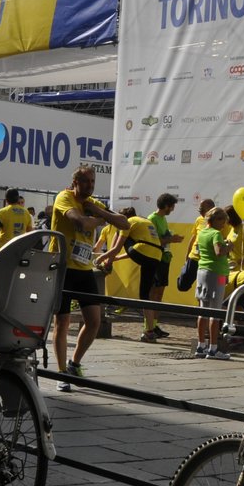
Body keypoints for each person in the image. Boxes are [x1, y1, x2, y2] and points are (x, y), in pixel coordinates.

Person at [50, 164, 129, 391]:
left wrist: (101, 212)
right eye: (85, 181)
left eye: (93, 182)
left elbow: (124, 223)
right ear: (75, 182)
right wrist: (98, 219)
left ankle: (74, 363)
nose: (90, 186)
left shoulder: (94, 205)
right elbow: (81, 222)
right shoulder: (64, 198)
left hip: (84, 269)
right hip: (63, 267)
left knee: (94, 321)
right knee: (62, 322)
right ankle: (61, 372)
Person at [98, 206, 166, 342]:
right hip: (157, 255)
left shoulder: (126, 223)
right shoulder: (145, 221)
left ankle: (107, 264)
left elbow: (118, 248)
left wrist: (100, 259)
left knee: (121, 235)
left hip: (142, 251)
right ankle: (149, 331)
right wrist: (116, 258)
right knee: (145, 296)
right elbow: (143, 247)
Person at [191, 204, 231, 358]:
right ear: (217, 220)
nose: (224, 225)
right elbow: (219, 252)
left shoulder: (202, 232)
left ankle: (201, 346)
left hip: (202, 272)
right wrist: (229, 247)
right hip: (217, 274)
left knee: (203, 310)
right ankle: (213, 349)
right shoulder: (216, 234)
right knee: (215, 311)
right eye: (223, 221)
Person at [146, 193, 181, 338]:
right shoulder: (152, 219)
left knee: (159, 293)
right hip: (155, 259)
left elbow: (164, 238)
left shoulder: (162, 218)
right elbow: (153, 240)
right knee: (153, 293)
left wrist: (171, 239)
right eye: (172, 206)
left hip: (164, 259)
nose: (172, 209)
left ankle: (154, 325)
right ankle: (148, 327)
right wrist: (171, 239)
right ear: (166, 205)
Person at [174, 198, 213, 294]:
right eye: (199, 210)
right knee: (182, 285)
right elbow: (194, 238)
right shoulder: (199, 219)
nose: (200, 211)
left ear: (211, 209)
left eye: (202, 209)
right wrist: (187, 256)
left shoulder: (220, 222)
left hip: (207, 261)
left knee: (204, 289)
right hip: (194, 257)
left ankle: (201, 307)